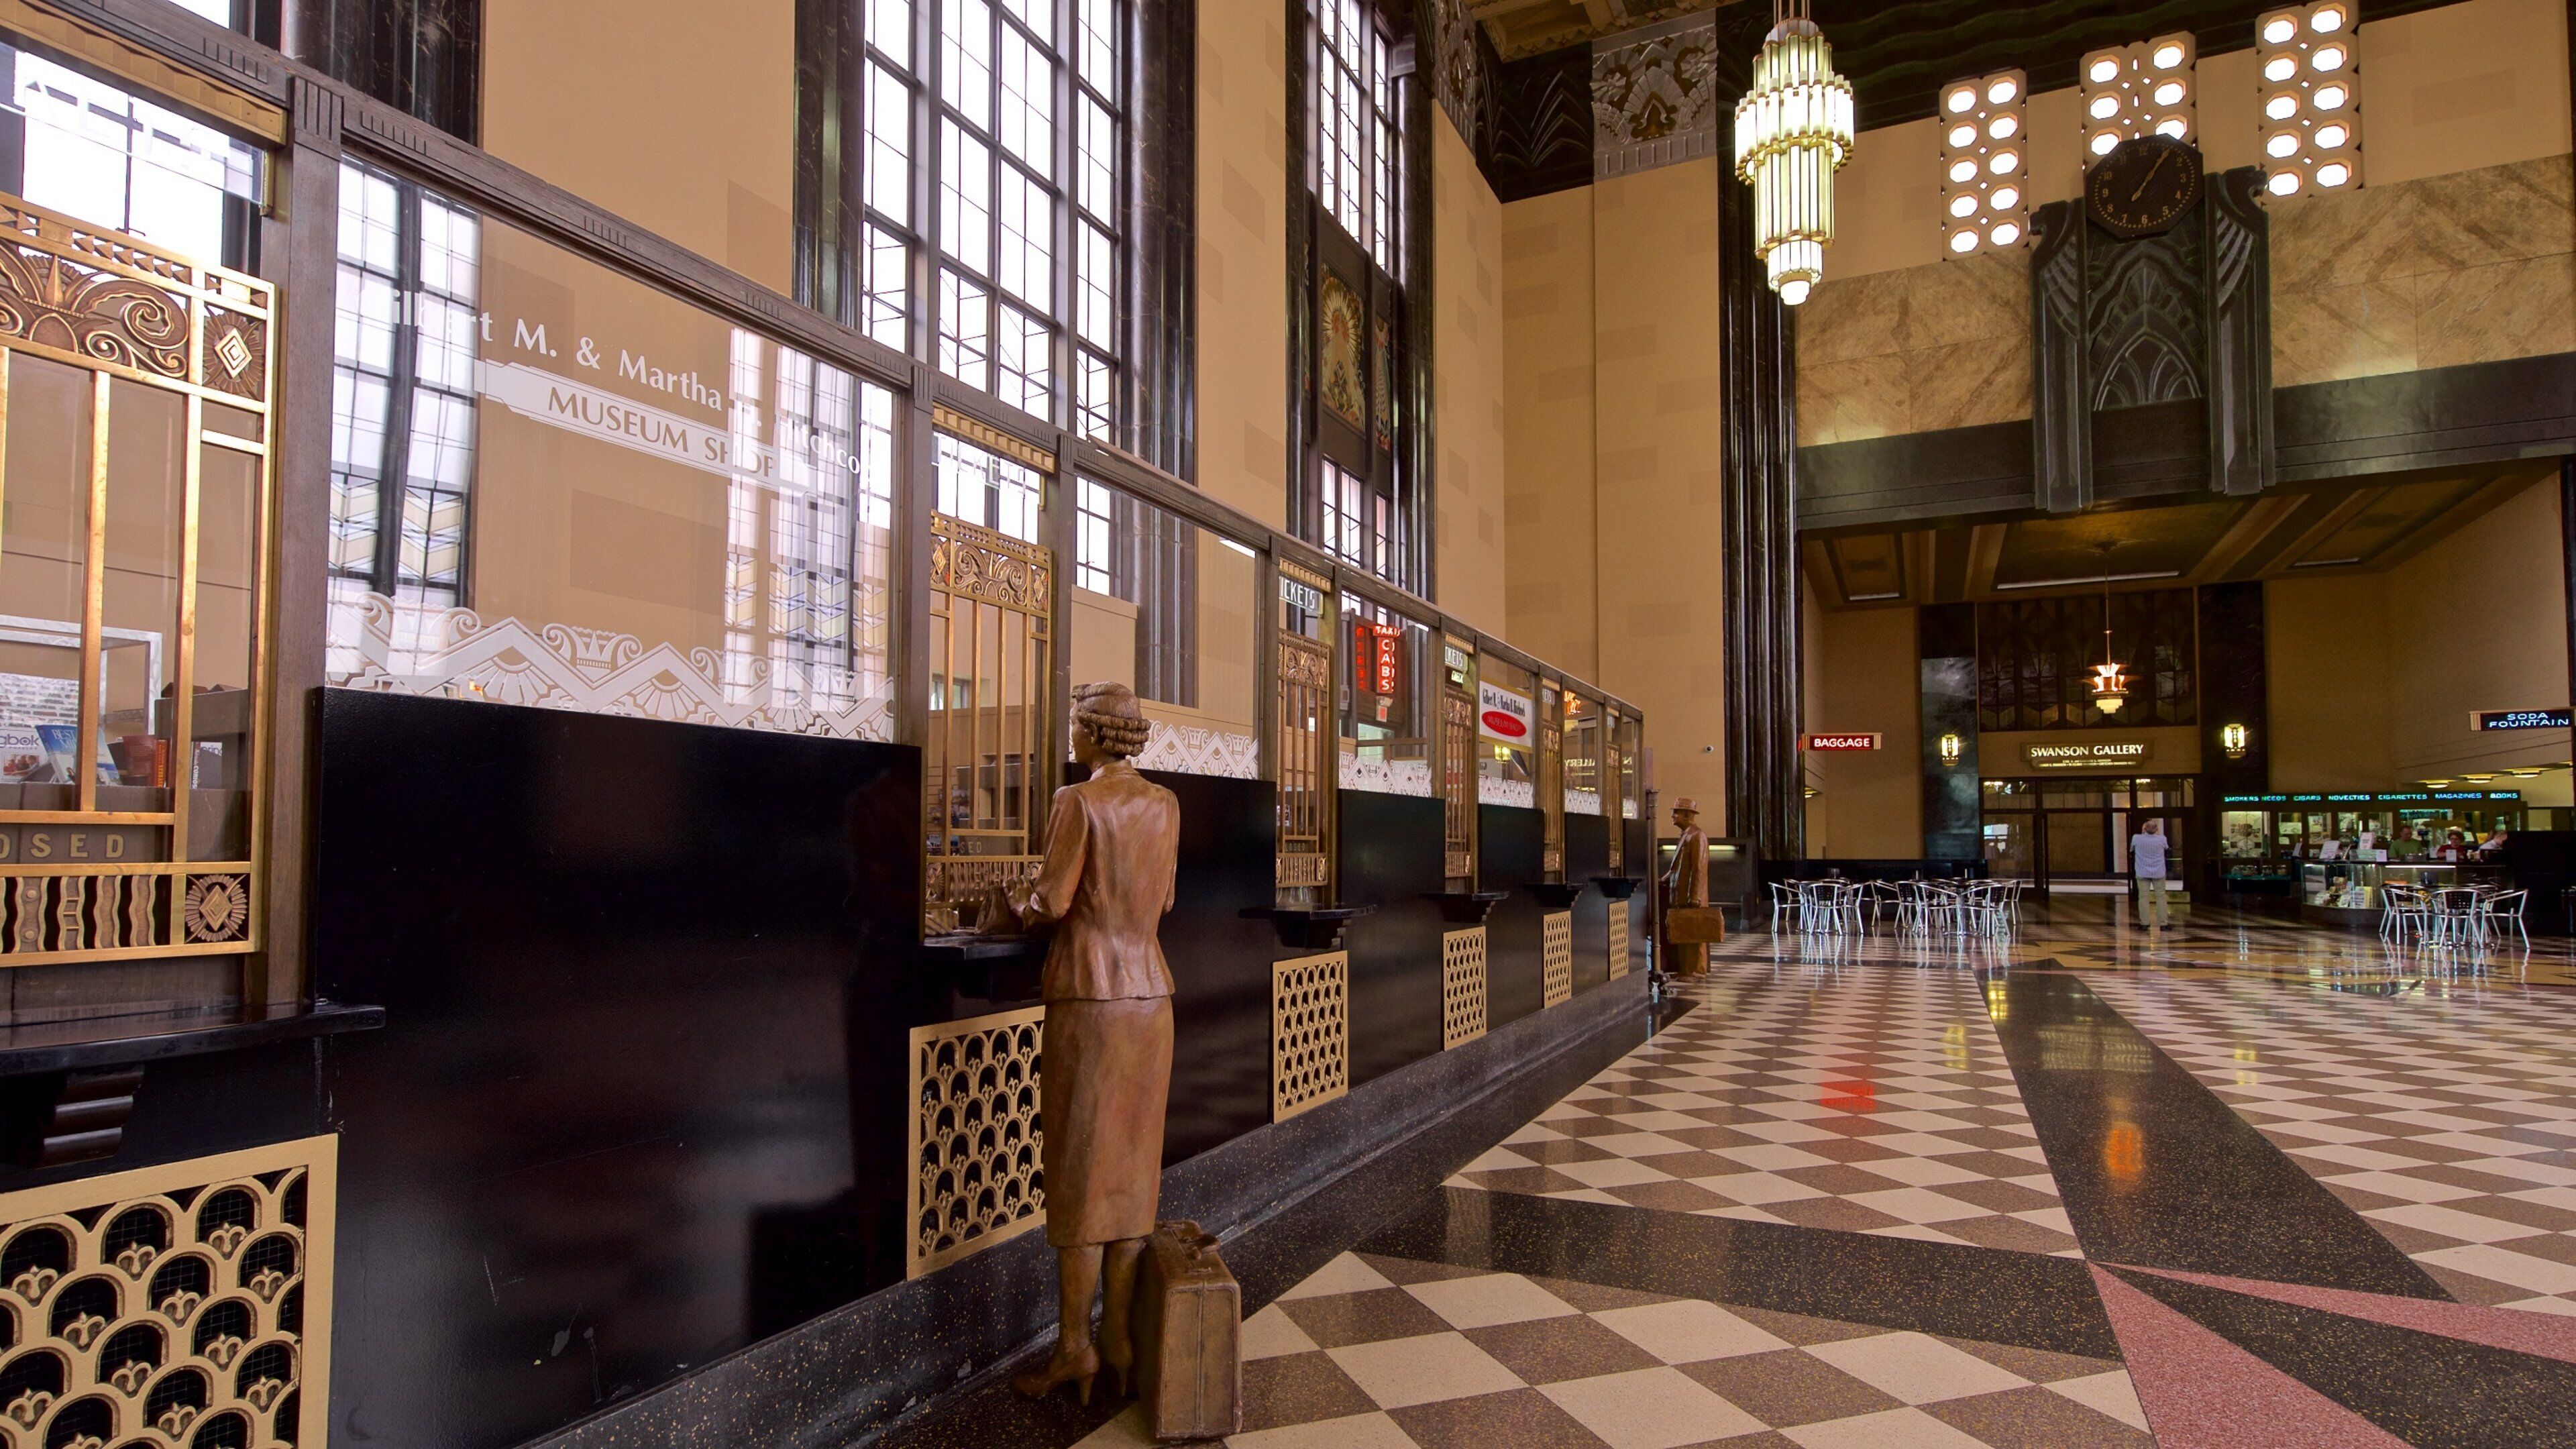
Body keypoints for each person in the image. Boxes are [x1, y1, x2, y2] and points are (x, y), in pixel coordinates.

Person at [1006, 682, 1181, 1406]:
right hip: (1151, 997)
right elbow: (1163, 899)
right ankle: (1118, 1340)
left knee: (1079, 1171)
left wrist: (1012, 897)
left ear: (1093, 735)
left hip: (1089, 997)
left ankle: (1074, 1346)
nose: (1071, 740)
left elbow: (1050, 901)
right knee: (1132, 1175)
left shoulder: (1076, 803)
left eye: (1077, 728)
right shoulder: (1167, 805)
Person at [1662, 798, 1710, 975]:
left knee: (1694, 934)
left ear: (1688, 815)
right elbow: (1676, 867)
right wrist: (1665, 879)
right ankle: (1685, 968)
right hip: (1679, 894)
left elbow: (1699, 868)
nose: (1673, 816)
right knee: (1683, 932)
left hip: (1690, 896)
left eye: (1676, 812)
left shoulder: (1697, 836)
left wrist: (1695, 896)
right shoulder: (1685, 835)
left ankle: (1696, 970)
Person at [2131, 818, 2174, 929]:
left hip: (2142, 871)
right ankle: (2163, 924)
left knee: (2143, 897)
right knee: (2161, 897)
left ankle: (2144, 923)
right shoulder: (2162, 839)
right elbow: (2167, 849)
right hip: (2158, 872)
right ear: (2156, 829)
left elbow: (2132, 850)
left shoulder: (2136, 838)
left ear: (2144, 828)